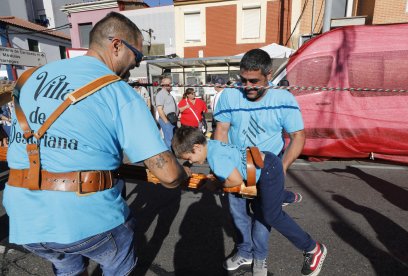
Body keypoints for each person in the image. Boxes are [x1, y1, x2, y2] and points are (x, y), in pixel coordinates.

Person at [3, 12, 188, 276]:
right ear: (117, 45)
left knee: (66, 265)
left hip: (25, 219)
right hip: (86, 219)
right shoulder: (117, 90)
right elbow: (168, 176)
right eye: (137, 56)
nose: (135, 66)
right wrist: (184, 174)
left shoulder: (33, 77)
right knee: (118, 261)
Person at [214, 48, 324, 276]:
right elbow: (221, 131)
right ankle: (245, 251)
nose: (247, 86)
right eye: (243, 80)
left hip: (265, 164)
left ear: (269, 74)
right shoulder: (229, 95)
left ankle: (260, 258)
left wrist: (282, 168)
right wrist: (221, 168)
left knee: (263, 216)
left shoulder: (283, 99)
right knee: (238, 213)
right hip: (238, 162)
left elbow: (298, 137)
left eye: (254, 81)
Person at [172, 127, 327, 276]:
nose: (191, 161)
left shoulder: (215, 158)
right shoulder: (210, 144)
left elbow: (235, 180)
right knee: (267, 200)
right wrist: (190, 167)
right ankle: (283, 196)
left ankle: (313, 249)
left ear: (197, 147)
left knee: (272, 216)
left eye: (189, 158)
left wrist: (217, 184)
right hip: (262, 165)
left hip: (268, 171)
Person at [155, 76, 178, 150]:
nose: (171, 85)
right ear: (163, 85)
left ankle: (172, 154)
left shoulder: (168, 94)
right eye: (169, 84)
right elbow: (159, 109)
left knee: (172, 139)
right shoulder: (161, 94)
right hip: (167, 120)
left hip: (172, 120)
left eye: (171, 83)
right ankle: (170, 156)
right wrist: (166, 122)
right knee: (169, 140)